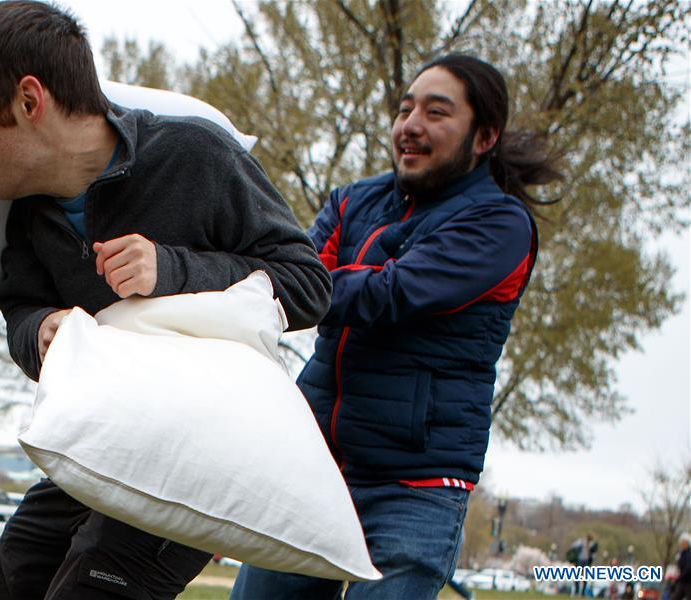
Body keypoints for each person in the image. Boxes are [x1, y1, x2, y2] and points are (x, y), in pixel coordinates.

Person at [0, 2, 331, 599]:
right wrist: (40, 331)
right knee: (19, 563)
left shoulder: (195, 156)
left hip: (203, 441)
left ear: (28, 100)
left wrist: (171, 268)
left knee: (92, 586)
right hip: (107, 434)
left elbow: (308, 285)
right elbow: (20, 311)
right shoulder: (25, 213)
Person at [231, 53, 562, 599]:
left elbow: (391, 293)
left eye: (436, 112)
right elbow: (288, 286)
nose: (410, 124)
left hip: (416, 489)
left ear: (484, 137)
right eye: (406, 108)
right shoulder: (351, 200)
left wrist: (321, 280)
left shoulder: (501, 225)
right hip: (313, 465)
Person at [672, 533, 691, 600]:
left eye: (682, 542)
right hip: (683, 581)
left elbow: (688, 568)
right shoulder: (682, 553)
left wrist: (681, 576)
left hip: (688, 581)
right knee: (675, 597)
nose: (680, 544)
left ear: (686, 543)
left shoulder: (688, 554)